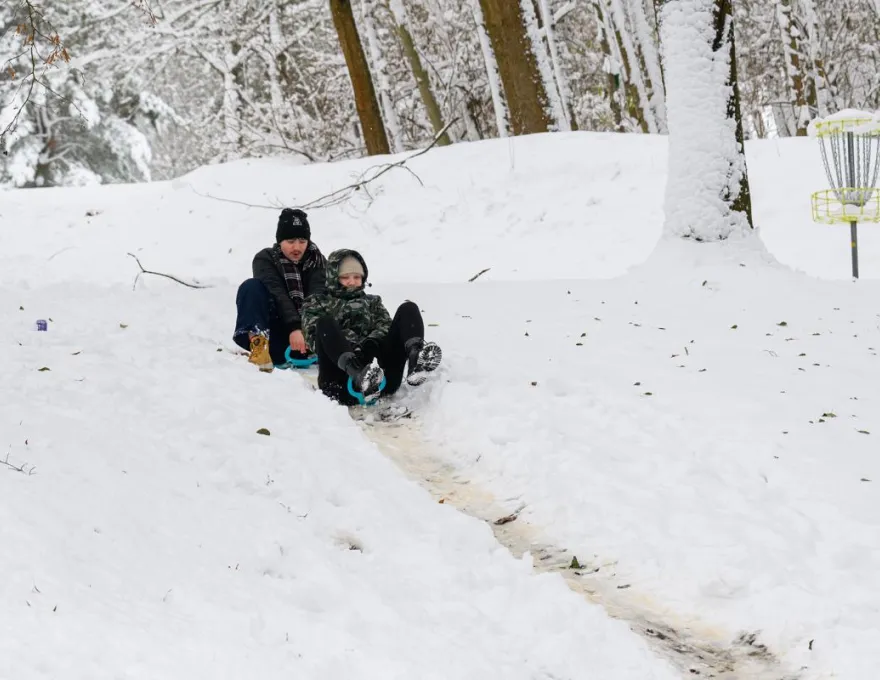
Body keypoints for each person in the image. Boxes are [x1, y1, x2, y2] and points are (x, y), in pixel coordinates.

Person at [301, 248, 442, 405]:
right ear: (333, 278)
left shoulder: (373, 302)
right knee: (325, 323)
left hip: (382, 377)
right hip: (339, 383)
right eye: (345, 277)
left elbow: (385, 324)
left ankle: (416, 359)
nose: (352, 281)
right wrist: (354, 347)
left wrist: (371, 344)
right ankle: (358, 374)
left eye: (356, 277)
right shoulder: (316, 303)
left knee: (408, 308)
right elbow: (313, 338)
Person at [233, 208, 327, 371]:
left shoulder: (318, 262)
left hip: (310, 338)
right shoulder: (266, 258)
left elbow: (317, 296)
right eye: (290, 242)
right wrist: (294, 328)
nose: (297, 247)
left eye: (302, 242)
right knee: (251, 287)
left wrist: (305, 330)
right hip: (277, 335)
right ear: (280, 241)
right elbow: (277, 293)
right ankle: (259, 347)